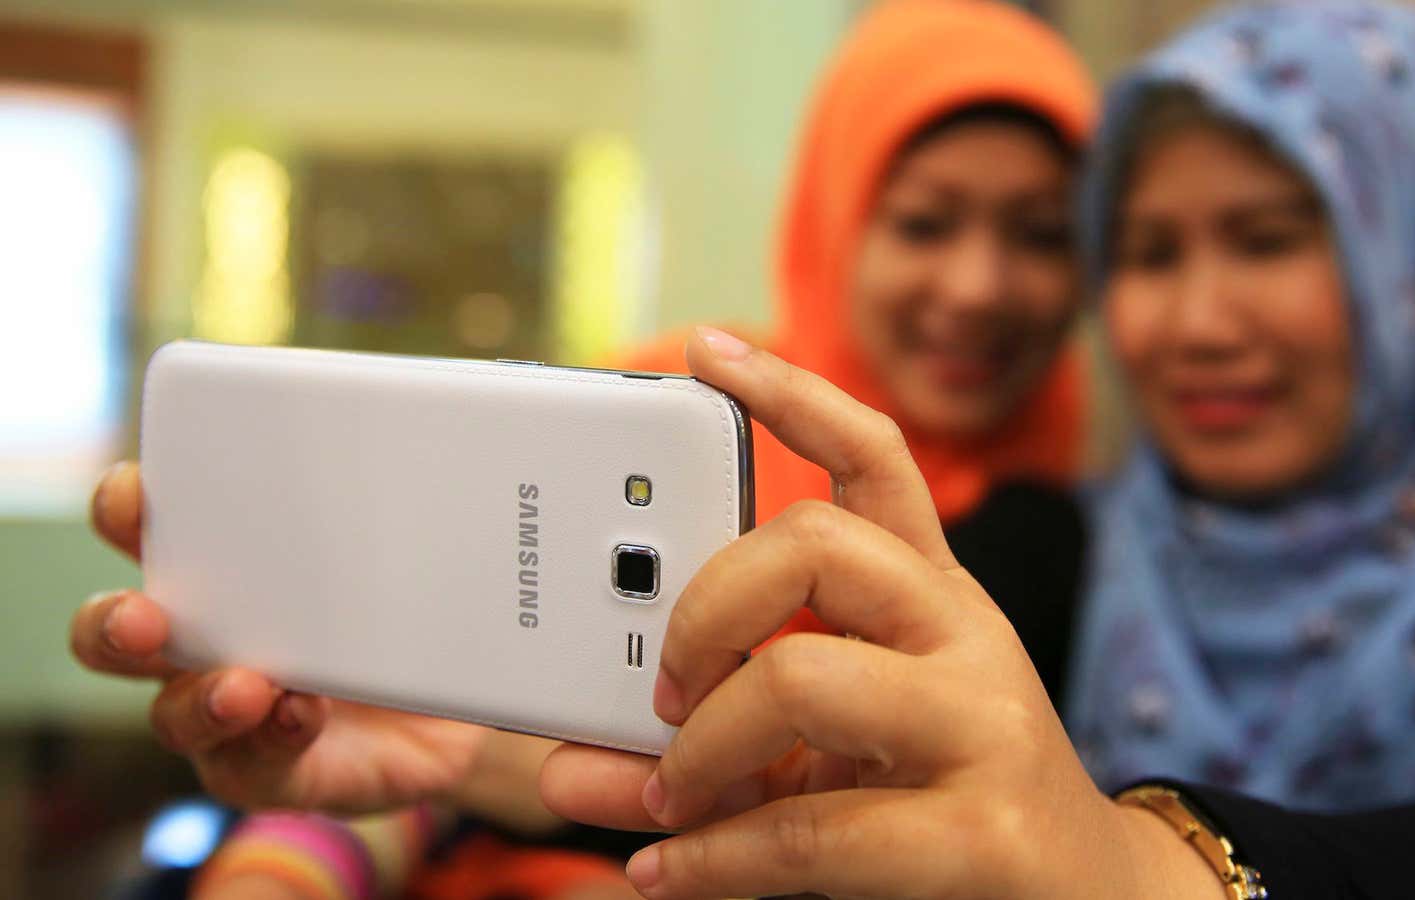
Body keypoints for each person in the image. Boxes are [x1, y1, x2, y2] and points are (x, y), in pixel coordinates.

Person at [524, 2, 1415, 896]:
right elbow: (791, 791)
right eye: (1144, 252)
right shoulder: (1049, 547)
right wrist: (468, 767)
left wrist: (1138, 866)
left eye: (1268, 240)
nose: (1196, 324)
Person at [76, 1, 1098, 896]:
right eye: (923, 223)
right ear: (834, 222)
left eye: (1042, 234)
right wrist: (290, 861)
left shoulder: (1072, 544)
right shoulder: (666, 403)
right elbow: (419, 733)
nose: (978, 286)